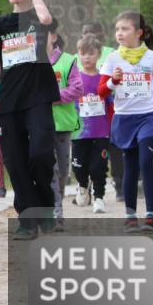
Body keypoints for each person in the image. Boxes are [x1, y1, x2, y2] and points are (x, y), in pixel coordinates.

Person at [0, 0, 60, 239]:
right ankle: (28, 221)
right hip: (8, 102)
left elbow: (46, 19)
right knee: (16, 163)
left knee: (41, 153)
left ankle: (45, 207)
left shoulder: (37, 17)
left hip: (39, 96)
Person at [98, 11, 153, 232]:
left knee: (146, 160)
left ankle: (152, 215)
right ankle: (130, 216)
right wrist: (113, 81)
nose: (119, 33)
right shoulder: (112, 58)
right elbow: (101, 92)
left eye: (125, 29)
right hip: (124, 118)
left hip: (148, 116)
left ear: (139, 33)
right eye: (117, 29)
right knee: (130, 166)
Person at [80, 21, 123, 200]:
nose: (89, 35)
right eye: (85, 32)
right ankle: (86, 189)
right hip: (85, 116)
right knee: (86, 155)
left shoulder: (112, 54)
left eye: (93, 32)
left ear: (101, 35)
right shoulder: (78, 55)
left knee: (114, 151)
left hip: (109, 109)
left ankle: (119, 185)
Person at [71, 33, 113, 213]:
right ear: (78, 54)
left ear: (99, 54)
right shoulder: (75, 78)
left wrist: (113, 125)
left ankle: (99, 198)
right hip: (79, 131)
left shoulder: (104, 79)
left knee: (99, 166)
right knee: (78, 166)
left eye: (91, 53)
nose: (87, 57)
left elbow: (111, 102)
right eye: (83, 53)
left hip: (101, 130)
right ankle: (82, 185)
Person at [49, 26, 83, 230]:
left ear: (53, 37)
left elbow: (77, 89)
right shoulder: (31, 63)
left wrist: (52, 97)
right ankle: (56, 214)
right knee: (49, 169)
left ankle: (57, 205)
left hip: (63, 124)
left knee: (62, 171)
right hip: (39, 124)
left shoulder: (68, 60)